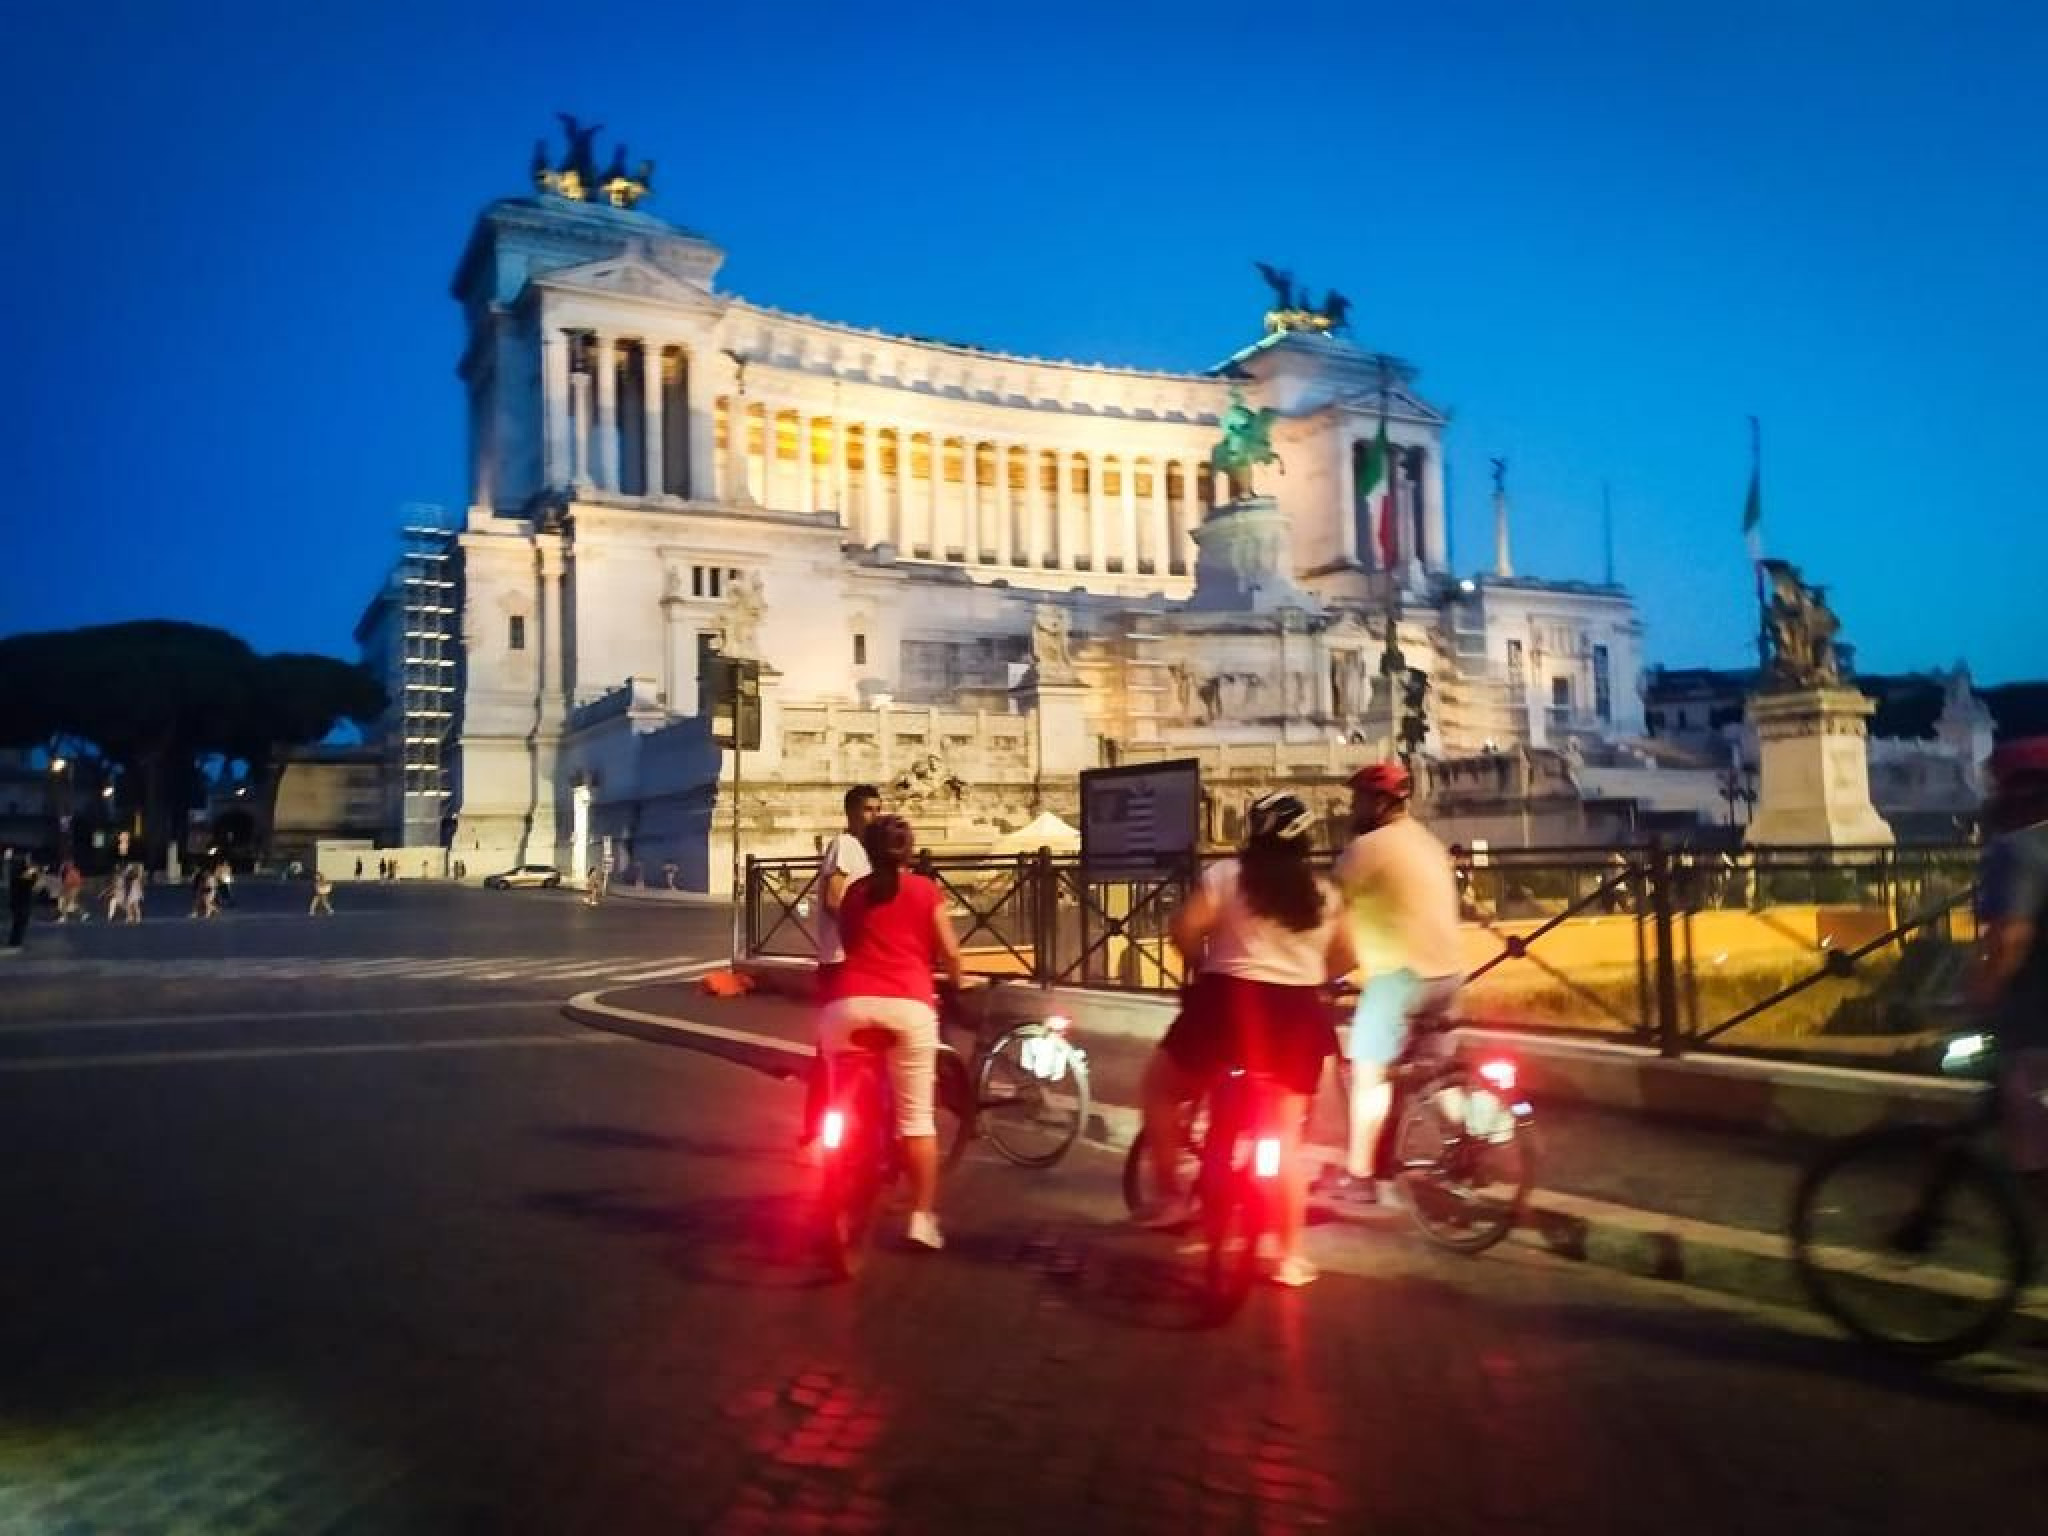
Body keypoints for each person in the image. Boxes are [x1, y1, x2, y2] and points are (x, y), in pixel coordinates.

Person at [1136, 792, 1356, 1288]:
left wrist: (1201, 963)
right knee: (1284, 1136)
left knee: (1161, 1092)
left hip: (1225, 1005)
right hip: (1297, 1017)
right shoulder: (1326, 895)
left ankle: (1173, 1198)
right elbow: (1347, 957)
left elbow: (1185, 929)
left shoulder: (1224, 877)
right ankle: (1289, 1255)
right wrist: (1310, 973)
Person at [820, 814, 965, 1250]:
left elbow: (849, 942)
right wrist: (957, 979)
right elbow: (950, 951)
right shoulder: (925, 890)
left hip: (845, 1007)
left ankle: (838, 1136)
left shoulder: (855, 894)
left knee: (838, 1091)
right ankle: (921, 1218)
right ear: (909, 852)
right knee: (917, 1120)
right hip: (908, 1006)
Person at [1332, 761, 1465, 1200]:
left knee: (1368, 1076)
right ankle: (1473, 1145)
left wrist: (1319, 972)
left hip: (1400, 980)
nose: (1352, 807)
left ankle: (1360, 1179)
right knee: (1431, 1074)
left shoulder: (1366, 849)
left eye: (1358, 799)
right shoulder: (1429, 842)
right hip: (1449, 976)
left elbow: (1328, 916)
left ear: (1379, 802)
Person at [1971, 737, 2048, 1182]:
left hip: (2038, 1025)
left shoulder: (2020, 850)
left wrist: (1978, 997)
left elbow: (2008, 943)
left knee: (2027, 1126)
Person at [800, 784, 882, 1145]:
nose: (873, 816)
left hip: (857, 961)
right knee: (831, 1049)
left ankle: (844, 1125)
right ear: (850, 813)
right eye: (867, 810)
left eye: (878, 809)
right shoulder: (844, 846)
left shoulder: (867, 852)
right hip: (839, 961)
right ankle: (817, 1125)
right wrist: (865, 930)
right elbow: (835, 900)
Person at [6, 854, 39, 949]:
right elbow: (26, 881)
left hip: (20, 901)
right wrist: (32, 872)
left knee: (20, 922)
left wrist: (33, 873)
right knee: (19, 922)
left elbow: (32, 882)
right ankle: (15, 942)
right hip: (21, 902)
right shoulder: (19, 873)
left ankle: (16, 941)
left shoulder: (18, 873)